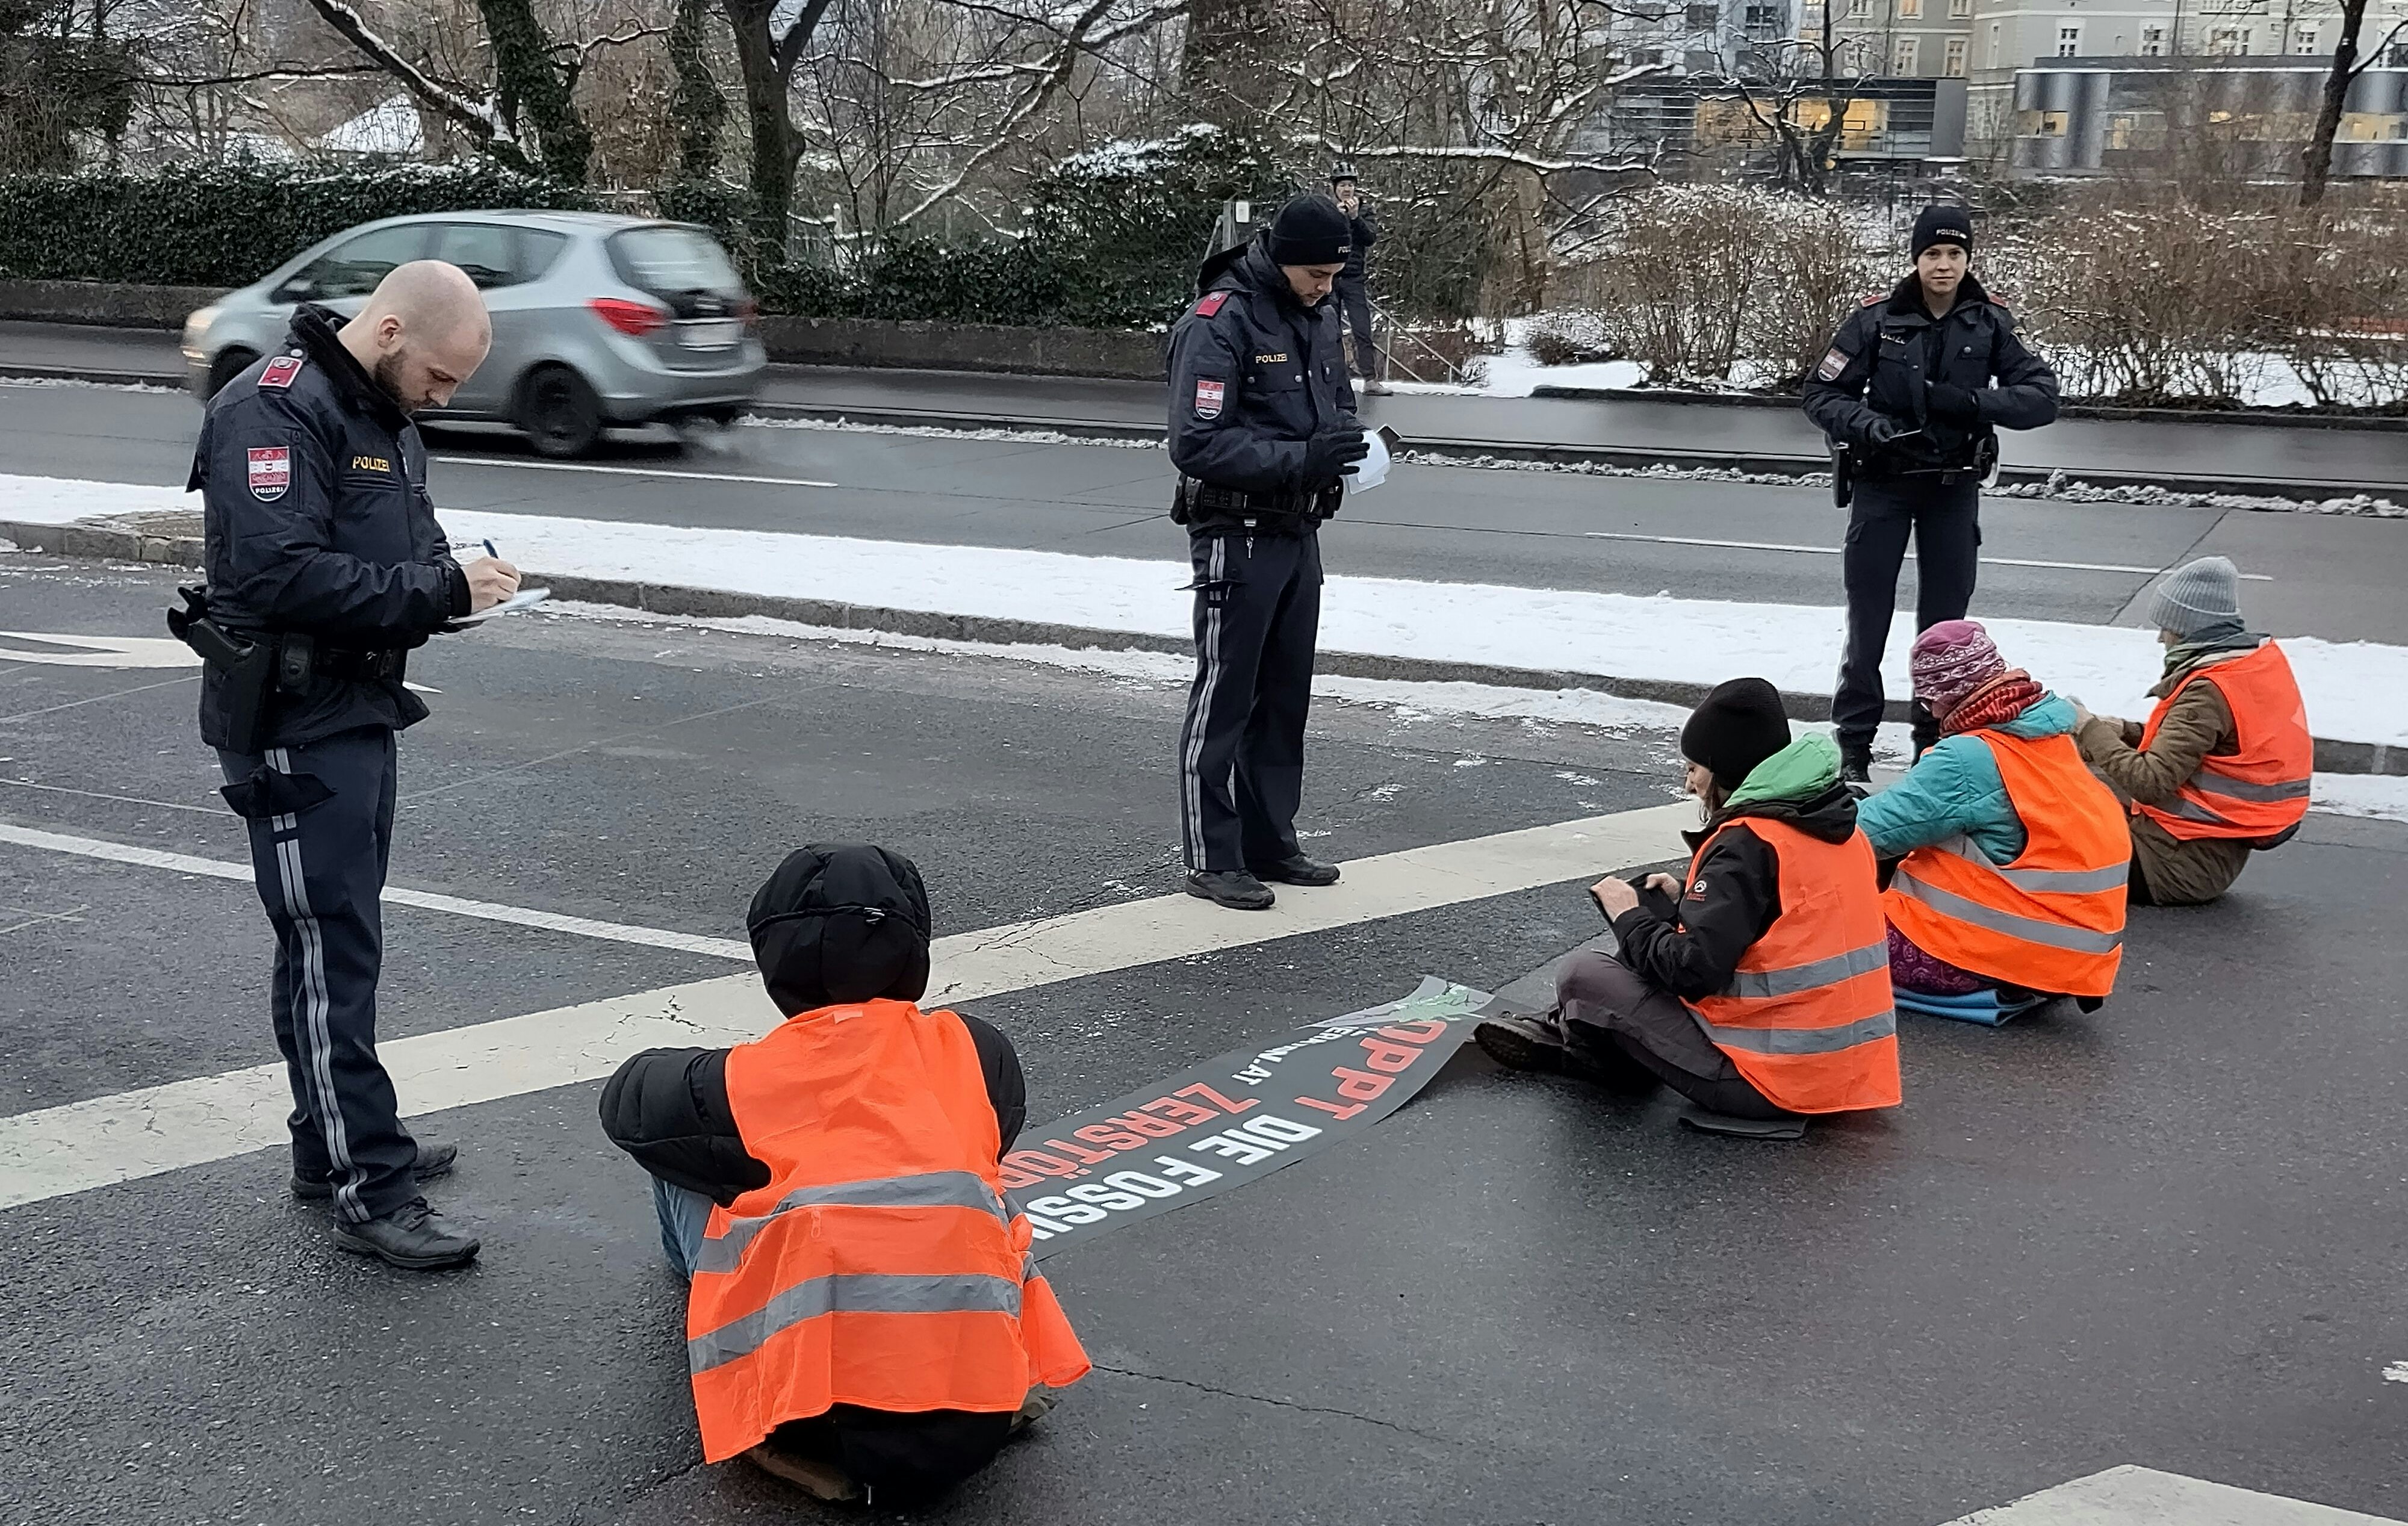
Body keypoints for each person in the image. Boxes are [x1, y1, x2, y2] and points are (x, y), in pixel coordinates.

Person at [185, 261, 518, 1270]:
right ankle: (370, 1186)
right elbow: (277, 573)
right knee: (332, 950)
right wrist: (436, 594)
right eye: (441, 376)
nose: (445, 399)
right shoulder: (272, 410)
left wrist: (459, 582)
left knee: (332, 943)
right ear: (387, 334)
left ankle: (327, 1143)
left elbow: (396, 553)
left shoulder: (375, 410)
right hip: (293, 717)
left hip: (355, 707)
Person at [599, 843, 1091, 1507]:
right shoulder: (977, 1049)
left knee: (686, 1156)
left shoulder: (742, 1082)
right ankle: (973, 1372)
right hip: (980, 1404)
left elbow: (625, 1102)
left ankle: (767, 1406)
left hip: (821, 1425)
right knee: (965, 1181)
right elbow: (995, 1129)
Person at [1474, 678, 1901, 1139]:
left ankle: (1588, 1049)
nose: (1689, 781)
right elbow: (1793, 919)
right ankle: (1570, 1030)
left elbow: (1693, 973)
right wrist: (1687, 897)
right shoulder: (1834, 822)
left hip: (1768, 1082)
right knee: (1654, 933)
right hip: (1846, 1073)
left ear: (1726, 768)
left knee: (1582, 972)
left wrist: (1627, 915)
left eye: (1694, 767)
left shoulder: (1747, 843)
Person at [1802, 204, 2060, 784]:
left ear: (1969, 258)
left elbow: (2042, 396)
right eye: (1932, 254)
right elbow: (1820, 394)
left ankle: (1933, 742)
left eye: (1954, 254)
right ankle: (1855, 744)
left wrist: (1969, 404)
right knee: (1869, 619)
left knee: (1944, 629)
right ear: (1916, 258)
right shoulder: (1877, 319)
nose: (1943, 265)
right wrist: (1864, 423)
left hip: (1952, 489)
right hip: (1883, 485)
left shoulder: (1989, 322)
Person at [1167, 194, 1368, 910]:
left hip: (1297, 528)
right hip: (1236, 533)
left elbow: (1330, 405)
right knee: (1226, 696)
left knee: (1283, 698)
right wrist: (1304, 455)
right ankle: (1212, 857)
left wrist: (1345, 449)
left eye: (1334, 274)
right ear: (1280, 259)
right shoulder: (1219, 322)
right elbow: (1196, 444)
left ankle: (1268, 841)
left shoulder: (1313, 314)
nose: (1326, 286)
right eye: (1315, 273)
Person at [1857, 622, 2128, 1023]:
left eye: (1930, 698)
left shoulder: (1968, 759)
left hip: (1996, 954)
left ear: (1948, 697)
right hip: (2071, 956)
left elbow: (1867, 832)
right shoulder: (2047, 736)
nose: (1929, 711)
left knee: (1825, 935)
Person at [2072, 556, 2312, 906]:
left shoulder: (2207, 690)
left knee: (2051, 803)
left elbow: (2149, 782)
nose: (2159, 638)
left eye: (2166, 627)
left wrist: (2088, 727)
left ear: (2186, 628)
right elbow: (2211, 749)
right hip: (2205, 853)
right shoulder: (2248, 666)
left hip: (2170, 867)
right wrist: (2125, 730)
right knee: (2083, 780)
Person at [1329, 164, 1386, 394]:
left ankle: (1370, 380)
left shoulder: (1364, 210)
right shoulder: (1328, 209)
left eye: (1351, 185)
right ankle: (1332, 379)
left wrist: (1354, 218)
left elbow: (1370, 237)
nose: (1347, 189)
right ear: (1335, 188)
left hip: (1354, 278)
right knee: (1329, 330)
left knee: (1362, 328)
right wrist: (1337, 217)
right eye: (1342, 185)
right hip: (1329, 277)